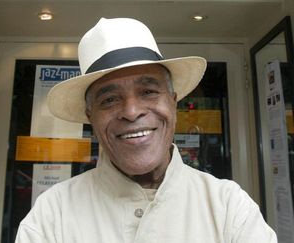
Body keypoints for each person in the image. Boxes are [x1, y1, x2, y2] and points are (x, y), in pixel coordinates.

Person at [15, 17, 277, 243]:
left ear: (173, 103)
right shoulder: (51, 215)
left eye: (148, 92)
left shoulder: (229, 207)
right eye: (109, 99)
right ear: (90, 118)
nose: (131, 112)